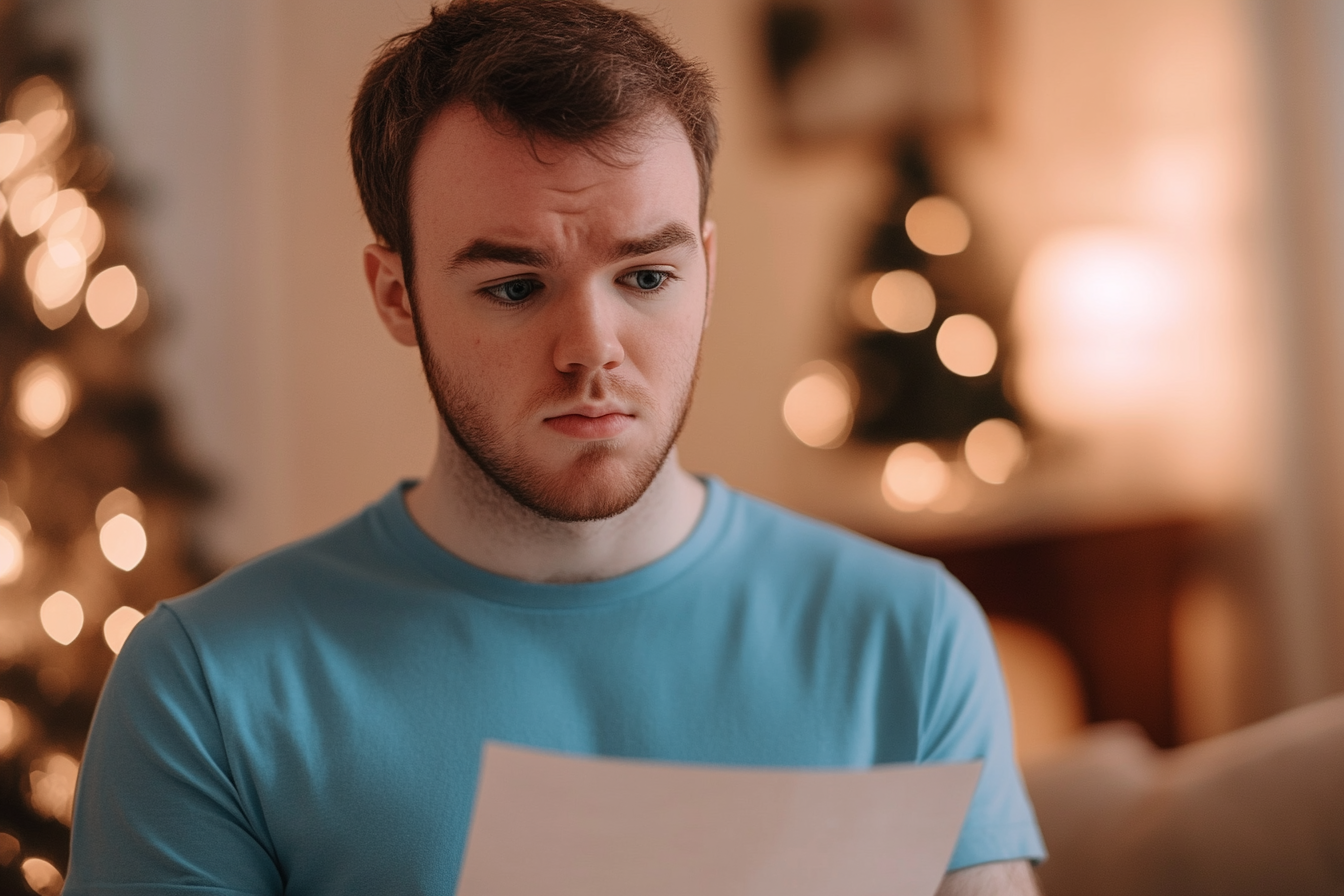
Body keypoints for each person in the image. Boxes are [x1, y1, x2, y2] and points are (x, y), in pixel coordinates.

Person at [65, 1, 1045, 893]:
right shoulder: (206, 686)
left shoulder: (908, 635)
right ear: (396, 294)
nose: (591, 352)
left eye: (647, 277)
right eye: (515, 287)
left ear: (705, 268)